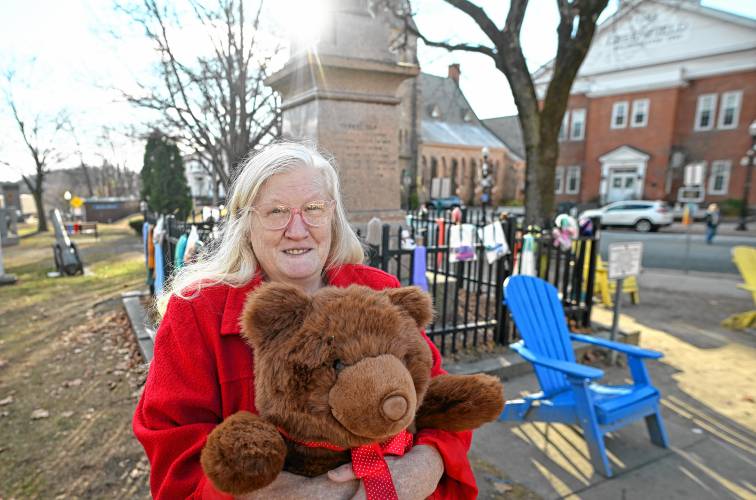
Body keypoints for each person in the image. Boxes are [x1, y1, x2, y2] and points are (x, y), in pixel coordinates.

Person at [133, 141, 478, 500]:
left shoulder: (378, 291)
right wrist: (290, 493)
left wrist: (425, 464)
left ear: (332, 215)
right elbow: (172, 446)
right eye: (276, 212)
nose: (297, 230)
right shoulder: (197, 311)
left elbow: (437, 395)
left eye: (313, 208)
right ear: (246, 223)